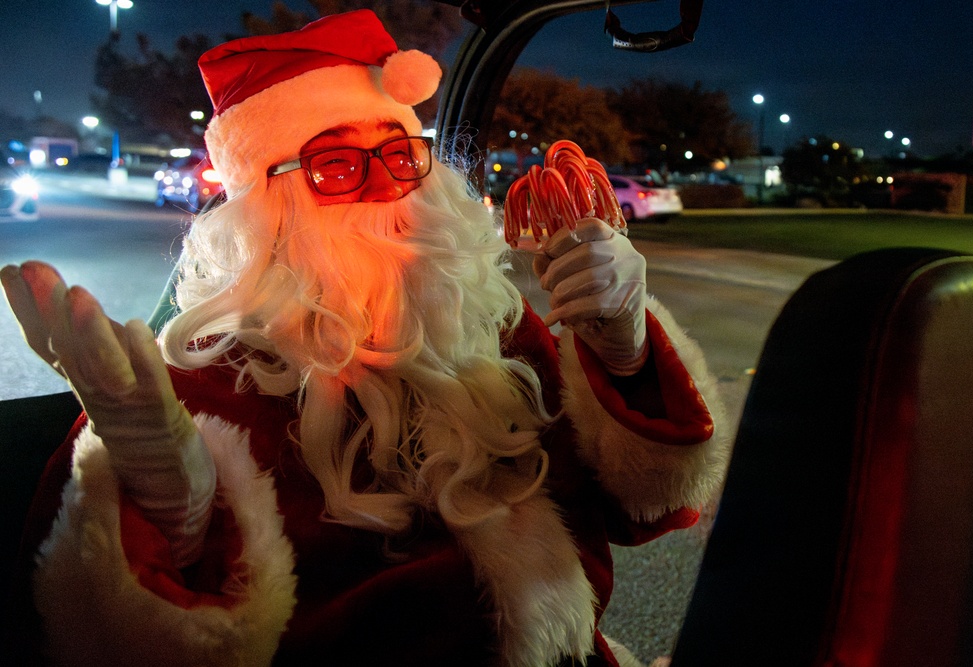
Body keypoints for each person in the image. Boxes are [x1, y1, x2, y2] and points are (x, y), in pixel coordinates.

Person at [1, 10, 730, 666]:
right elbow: (108, 641)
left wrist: (623, 349)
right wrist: (174, 515)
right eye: (338, 165)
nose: (386, 186)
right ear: (267, 210)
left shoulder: (489, 321)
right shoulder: (208, 380)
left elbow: (644, 505)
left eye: (400, 152)